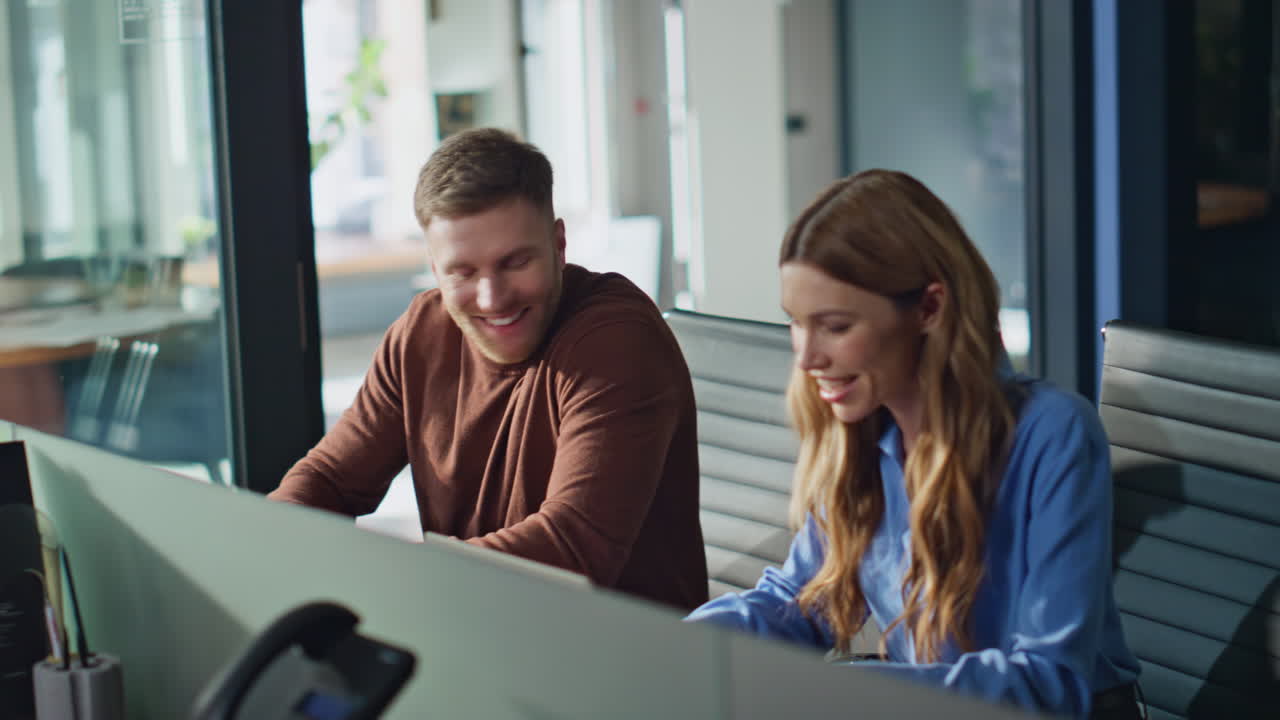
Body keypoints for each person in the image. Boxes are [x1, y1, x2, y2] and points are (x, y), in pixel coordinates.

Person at [685, 169, 1141, 718]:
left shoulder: (1053, 434)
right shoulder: (861, 438)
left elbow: (1048, 682)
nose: (806, 359)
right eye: (796, 324)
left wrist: (853, 691)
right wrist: (671, 647)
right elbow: (803, 602)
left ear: (928, 309)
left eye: (834, 326)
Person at [270, 128, 708, 611]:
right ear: (435, 269)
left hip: (626, 655)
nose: (492, 298)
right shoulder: (421, 332)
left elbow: (573, 548)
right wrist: (273, 545)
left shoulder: (617, 339)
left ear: (559, 245)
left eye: (515, 262)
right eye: (463, 271)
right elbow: (330, 479)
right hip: (483, 623)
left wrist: (395, 578)